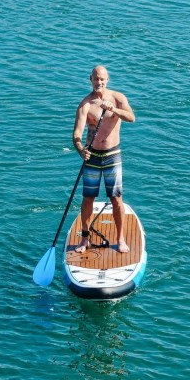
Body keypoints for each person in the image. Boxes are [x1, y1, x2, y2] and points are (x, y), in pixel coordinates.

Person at [72, 65, 135, 253]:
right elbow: (77, 133)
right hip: (91, 156)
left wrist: (114, 110)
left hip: (112, 155)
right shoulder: (85, 104)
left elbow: (131, 117)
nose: (99, 82)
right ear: (90, 79)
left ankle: (121, 238)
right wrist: (80, 149)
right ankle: (85, 239)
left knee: (116, 198)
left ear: (107, 80)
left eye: (102, 79)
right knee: (88, 198)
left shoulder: (118, 98)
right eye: (95, 79)